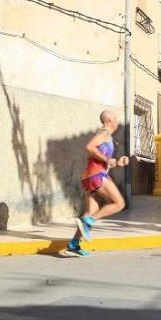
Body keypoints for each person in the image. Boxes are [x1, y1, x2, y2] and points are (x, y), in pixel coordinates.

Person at [59, 110, 129, 257]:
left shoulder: (106, 135)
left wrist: (116, 162)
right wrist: (106, 160)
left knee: (91, 210)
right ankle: (89, 221)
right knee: (119, 203)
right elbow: (89, 147)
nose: (118, 122)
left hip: (90, 175)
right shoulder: (104, 132)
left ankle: (73, 245)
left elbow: (103, 159)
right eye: (116, 119)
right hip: (96, 175)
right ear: (109, 120)